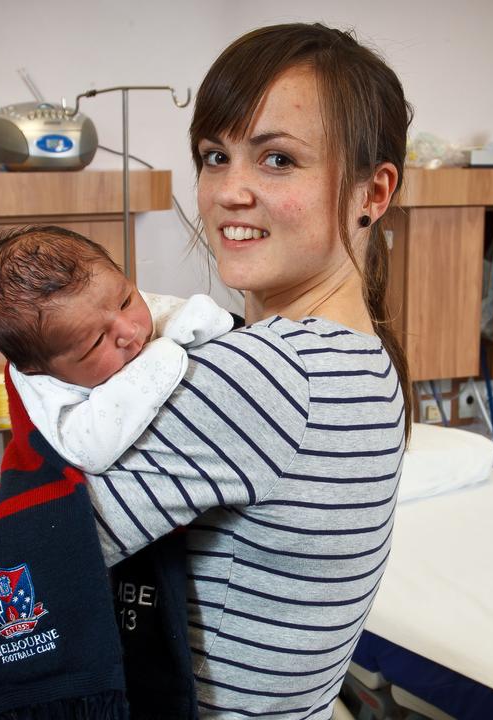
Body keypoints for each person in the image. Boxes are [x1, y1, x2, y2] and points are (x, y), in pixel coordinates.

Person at [74, 23, 415, 718]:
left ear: (372, 193)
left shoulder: (266, 373)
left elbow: (29, 561)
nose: (229, 192)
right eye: (213, 155)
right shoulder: (366, 359)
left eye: (278, 160)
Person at [0, 224, 235, 473]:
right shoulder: (48, 392)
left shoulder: (104, 303)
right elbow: (89, 450)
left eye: (127, 300)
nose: (130, 331)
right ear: (38, 369)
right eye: (96, 342)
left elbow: (206, 318)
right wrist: (161, 354)